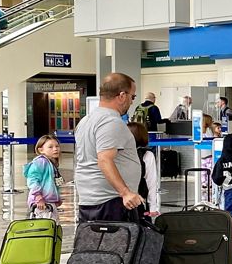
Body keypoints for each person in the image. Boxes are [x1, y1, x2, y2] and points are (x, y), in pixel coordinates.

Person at [73, 72, 144, 222]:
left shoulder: (86, 121)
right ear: (122, 96)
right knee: (118, 244)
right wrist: (125, 193)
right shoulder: (111, 122)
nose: (132, 102)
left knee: (96, 244)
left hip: (93, 199)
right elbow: (104, 159)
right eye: (133, 97)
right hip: (111, 201)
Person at [24, 134, 63, 218]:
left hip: (49, 202)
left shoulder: (51, 163)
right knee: (46, 228)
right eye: (50, 147)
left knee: (52, 226)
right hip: (41, 203)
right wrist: (38, 197)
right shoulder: (41, 162)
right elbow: (33, 180)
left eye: (57, 146)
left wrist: (57, 198)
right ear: (41, 150)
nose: (55, 149)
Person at [127, 122, 160, 218]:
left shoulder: (118, 153)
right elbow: (151, 182)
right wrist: (153, 207)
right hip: (138, 201)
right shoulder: (147, 155)